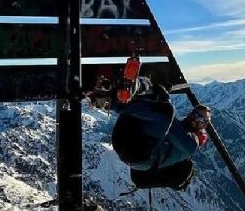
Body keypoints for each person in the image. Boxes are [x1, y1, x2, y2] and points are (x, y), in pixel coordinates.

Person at [89, 56, 211, 190]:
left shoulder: (191, 144)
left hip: (136, 153)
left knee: (167, 111)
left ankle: (111, 101)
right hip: (129, 138)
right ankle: (127, 87)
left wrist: (164, 96)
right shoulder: (180, 132)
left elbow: (169, 125)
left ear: (204, 126)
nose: (195, 118)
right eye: (195, 114)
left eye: (201, 119)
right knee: (151, 101)